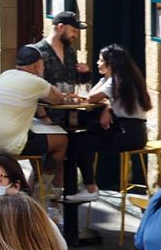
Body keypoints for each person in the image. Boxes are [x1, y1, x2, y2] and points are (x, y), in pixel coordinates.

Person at [0, 45, 74, 190]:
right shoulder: (35, 82)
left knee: (35, 136)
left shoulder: (6, 74)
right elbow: (58, 99)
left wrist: (43, 115)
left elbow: (30, 98)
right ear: (38, 65)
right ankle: (44, 188)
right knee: (61, 141)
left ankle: (32, 185)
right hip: (6, 142)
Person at [65, 43, 153, 203]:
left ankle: (90, 187)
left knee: (77, 142)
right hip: (137, 133)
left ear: (110, 63)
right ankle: (87, 185)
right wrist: (108, 106)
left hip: (125, 134)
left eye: (100, 60)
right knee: (84, 139)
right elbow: (106, 98)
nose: (98, 63)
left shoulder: (115, 80)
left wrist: (105, 101)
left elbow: (90, 98)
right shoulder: (129, 78)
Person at [35, 11, 96, 107]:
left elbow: (76, 81)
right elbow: (34, 88)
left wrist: (85, 73)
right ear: (61, 27)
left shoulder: (69, 51)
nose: (76, 36)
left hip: (69, 113)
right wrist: (43, 116)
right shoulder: (38, 51)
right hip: (47, 115)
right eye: (73, 31)